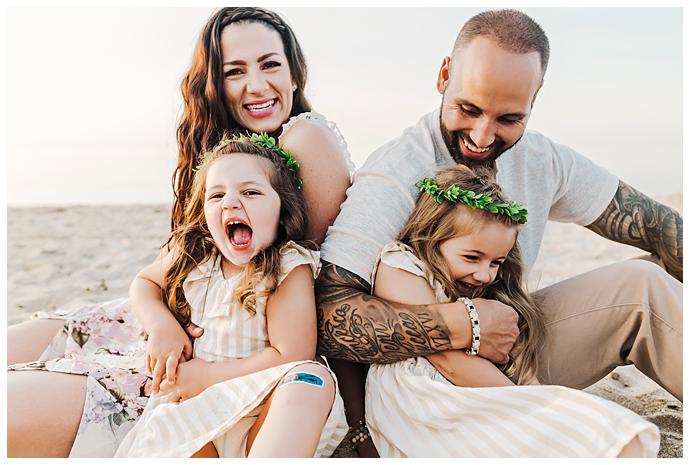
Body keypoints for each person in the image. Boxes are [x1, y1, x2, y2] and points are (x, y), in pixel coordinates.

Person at [316, 9, 682, 457]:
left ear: (535, 97)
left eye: (508, 118)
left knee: (644, 284)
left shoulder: (542, 158)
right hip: (427, 394)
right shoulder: (395, 172)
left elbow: (656, 226)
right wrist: (463, 326)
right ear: (444, 74)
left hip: (514, 350)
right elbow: (330, 315)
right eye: (468, 109)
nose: (482, 135)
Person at [7, 7, 352, 458]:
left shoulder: (304, 139)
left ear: (294, 73)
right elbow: (157, 275)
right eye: (235, 71)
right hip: (159, 324)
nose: (256, 85)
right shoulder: (224, 158)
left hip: (218, 361)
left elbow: (315, 291)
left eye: (270, 64)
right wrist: (161, 324)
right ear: (215, 84)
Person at [366, 165, 659, 457]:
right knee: (595, 431)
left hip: (475, 388)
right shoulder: (402, 264)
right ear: (431, 237)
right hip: (424, 402)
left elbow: (514, 356)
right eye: (472, 257)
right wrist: (530, 402)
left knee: (608, 429)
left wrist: (536, 391)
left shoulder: (476, 289)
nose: (484, 275)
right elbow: (446, 358)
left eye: (496, 262)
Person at [114, 135, 347, 457]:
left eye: (250, 192)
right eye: (217, 195)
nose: (231, 203)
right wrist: (161, 326)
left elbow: (292, 353)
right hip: (195, 412)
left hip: (263, 408)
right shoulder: (196, 255)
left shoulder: (286, 265)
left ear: (282, 207)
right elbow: (144, 282)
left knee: (310, 380)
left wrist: (209, 375)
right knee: (164, 425)